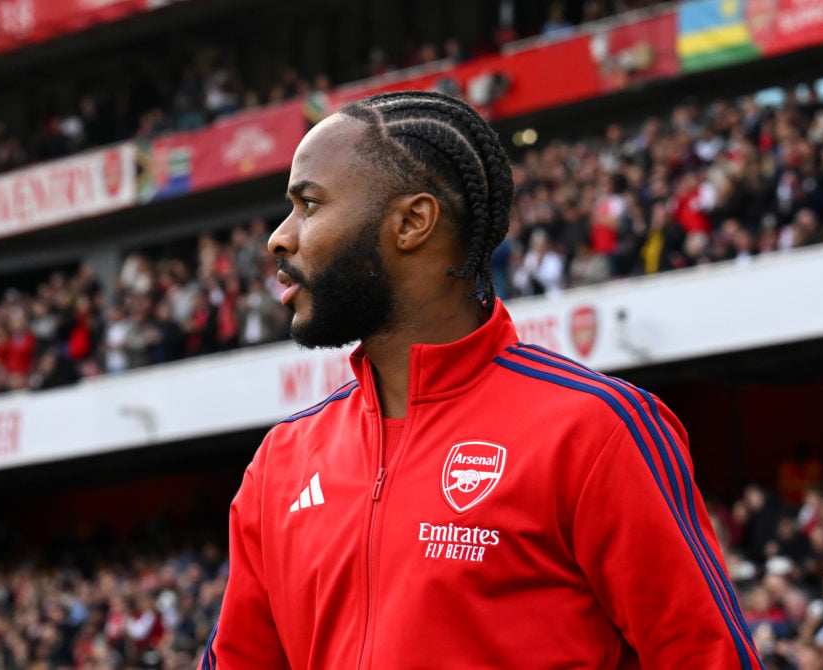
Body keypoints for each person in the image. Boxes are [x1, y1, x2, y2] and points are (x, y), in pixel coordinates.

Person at [202, 91, 762, 669]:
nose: (279, 237)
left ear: (412, 222)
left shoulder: (595, 431)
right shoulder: (280, 464)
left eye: (309, 204)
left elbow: (706, 655)